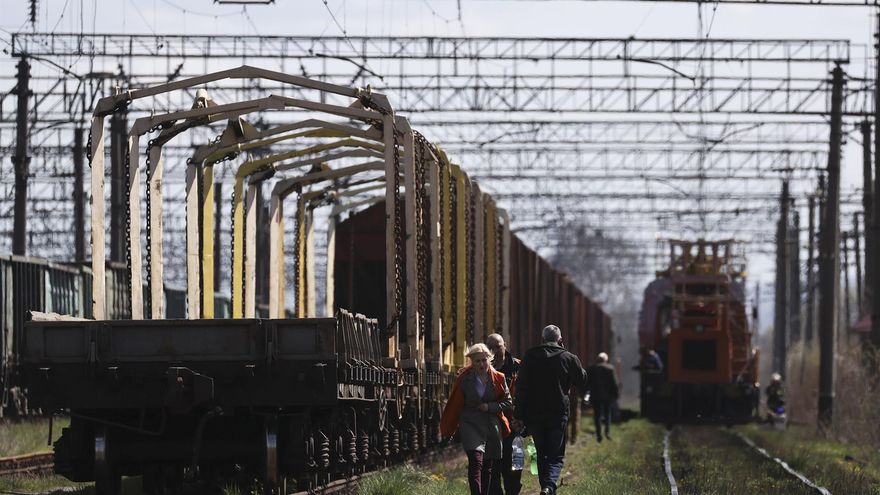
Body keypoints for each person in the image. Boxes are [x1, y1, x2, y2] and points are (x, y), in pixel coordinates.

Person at [513, 325, 587, 495]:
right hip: (557, 413)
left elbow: (521, 387)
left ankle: (545, 488)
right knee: (555, 456)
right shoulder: (568, 357)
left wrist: (519, 415)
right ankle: (548, 487)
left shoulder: (530, 356)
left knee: (542, 453)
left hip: (535, 415)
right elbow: (582, 380)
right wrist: (573, 361)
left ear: (542, 339)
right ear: (560, 340)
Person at [441, 343, 512, 495]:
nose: (481, 364)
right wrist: (449, 427)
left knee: (487, 467)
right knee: (476, 461)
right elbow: (455, 403)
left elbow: (508, 401)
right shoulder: (464, 379)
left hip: (491, 426)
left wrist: (490, 407)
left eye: (483, 360)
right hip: (470, 424)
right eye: (477, 361)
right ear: (472, 363)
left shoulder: (499, 378)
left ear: (489, 359)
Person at [486, 333, 522, 495]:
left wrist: (524, 419)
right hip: (492, 425)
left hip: (514, 424)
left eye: (497, 346)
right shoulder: (484, 368)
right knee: (493, 469)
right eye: (490, 347)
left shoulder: (518, 366)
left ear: (505, 345)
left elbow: (527, 394)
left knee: (514, 468)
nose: (494, 350)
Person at [587, 352, 619, 443]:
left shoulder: (591, 369)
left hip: (596, 396)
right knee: (607, 414)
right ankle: (607, 432)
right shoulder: (610, 368)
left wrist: (585, 394)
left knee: (597, 415)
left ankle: (599, 435)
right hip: (608, 396)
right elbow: (614, 383)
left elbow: (587, 383)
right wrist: (616, 394)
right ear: (606, 360)